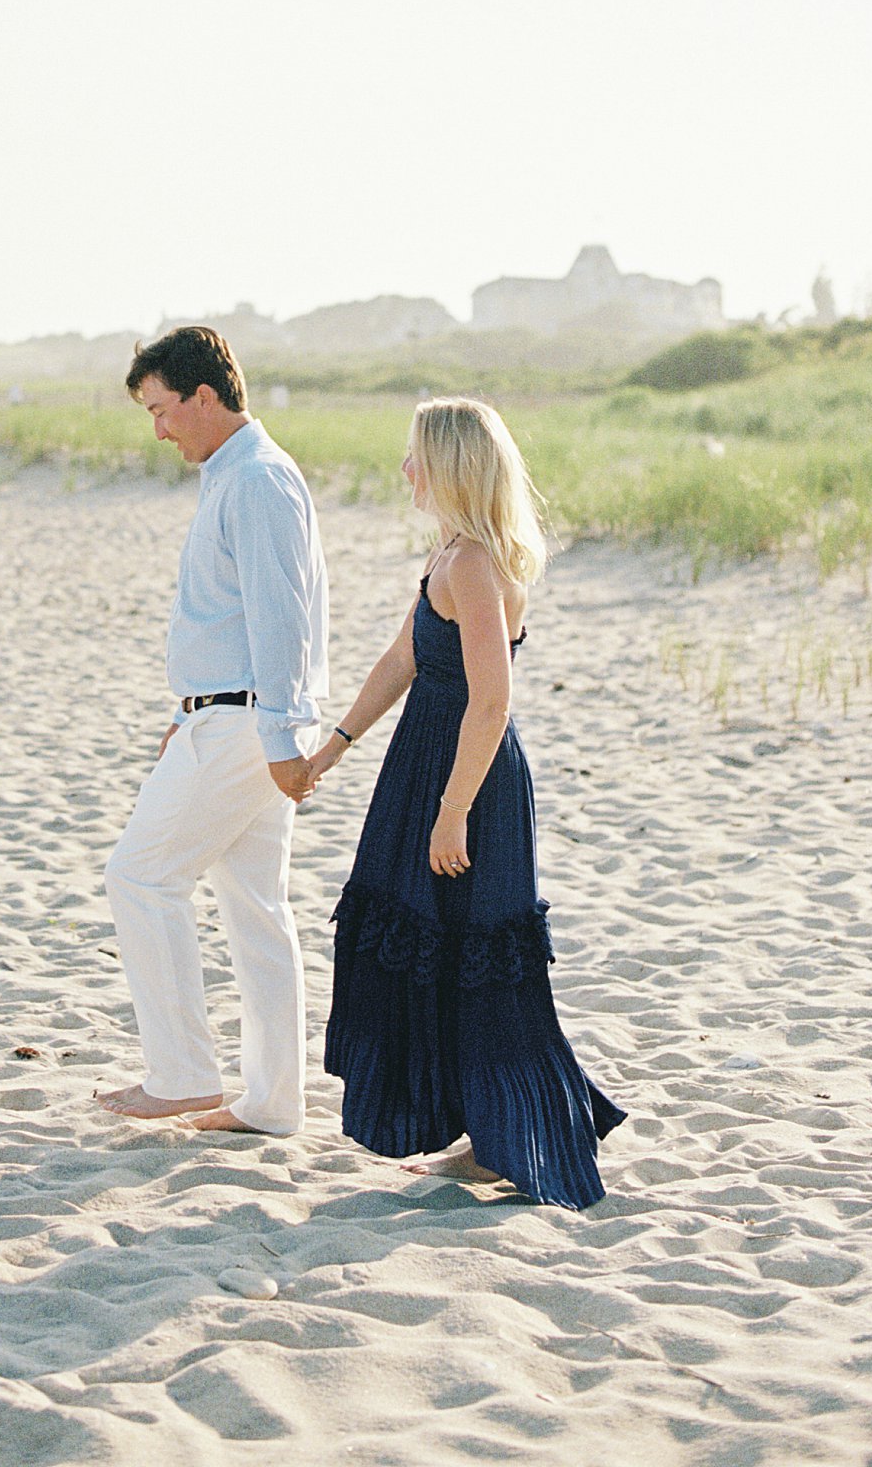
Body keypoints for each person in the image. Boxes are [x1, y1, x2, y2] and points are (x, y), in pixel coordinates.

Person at [309, 396, 624, 1208]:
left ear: (449, 464)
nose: (404, 468)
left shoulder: (475, 565)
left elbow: (492, 701)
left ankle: (510, 1135)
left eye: (415, 455)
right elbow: (402, 655)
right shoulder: (449, 554)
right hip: (429, 767)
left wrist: (452, 810)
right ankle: (484, 1135)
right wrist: (334, 747)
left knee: (480, 954)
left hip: (466, 779)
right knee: (435, 945)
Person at [97, 326, 328, 1135]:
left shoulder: (257, 479)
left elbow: (280, 618)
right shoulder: (237, 474)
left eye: (162, 410)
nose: (156, 429)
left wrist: (276, 741)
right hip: (232, 718)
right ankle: (268, 1103)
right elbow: (235, 620)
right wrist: (183, 715)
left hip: (244, 725)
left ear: (204, 396)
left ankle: (183, 1073)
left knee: (140, 877)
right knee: (254, 908)